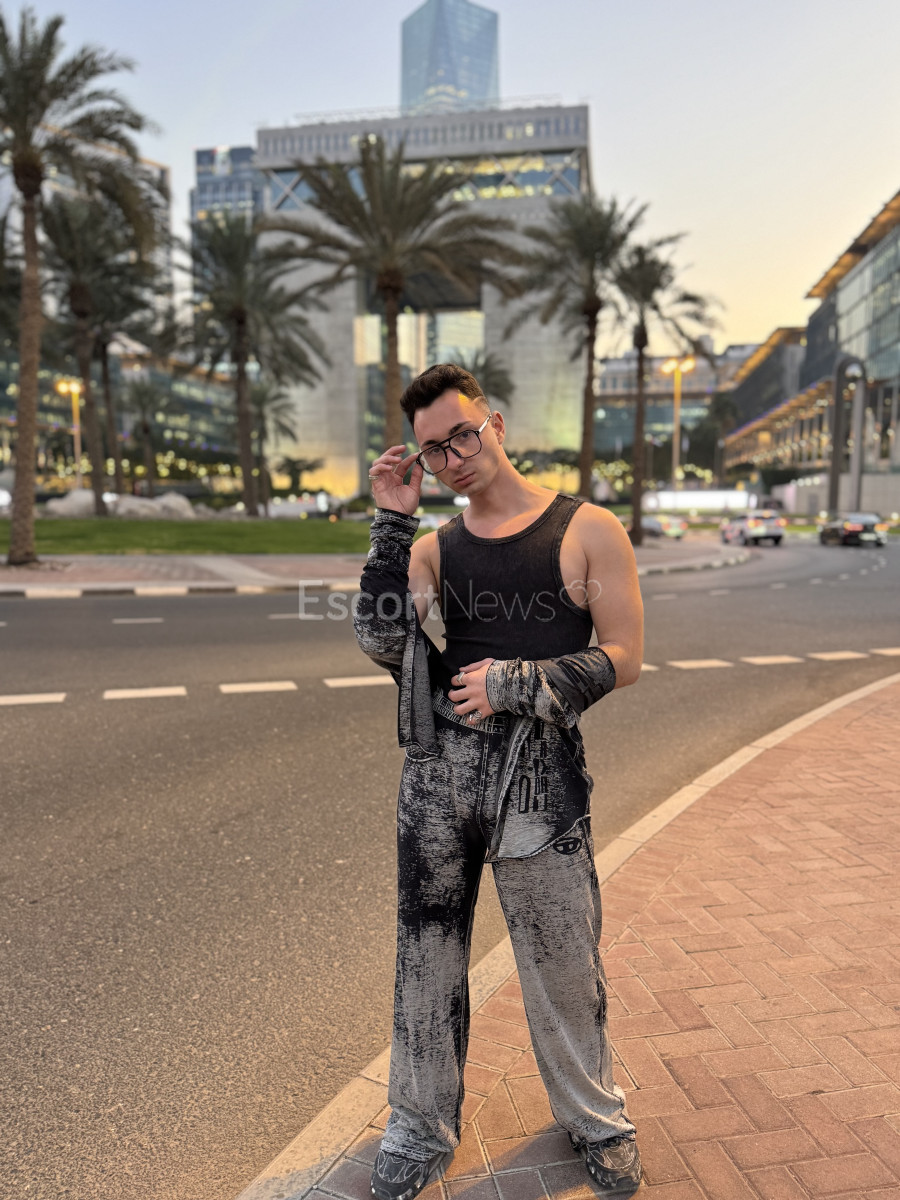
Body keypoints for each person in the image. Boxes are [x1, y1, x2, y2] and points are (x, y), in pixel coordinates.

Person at [354, 363, 644, 1199]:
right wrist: (391, 523)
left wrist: (519, 682)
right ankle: (418, 1125)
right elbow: (381, 639)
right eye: (432, 450)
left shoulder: (586, 529)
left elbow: (625, 656)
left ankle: (595, 1119)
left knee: (562, 959)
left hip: (539, 777)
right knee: (425, 958)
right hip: (437, 778)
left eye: (463, 436)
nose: (452, 459)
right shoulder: (434, 548)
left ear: (497, 425)